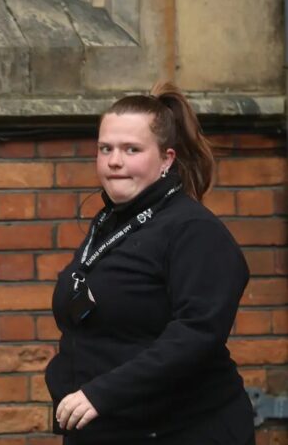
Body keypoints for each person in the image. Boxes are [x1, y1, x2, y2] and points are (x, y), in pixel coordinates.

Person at [45, 81, 255, 445]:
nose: (114, 161)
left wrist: (102, 393)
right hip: (110, 428)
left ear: (166, 159)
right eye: (105, 148)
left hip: (184, 430)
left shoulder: (194, 232)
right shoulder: (111, 224)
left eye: (132, 149)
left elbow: (196, 335)